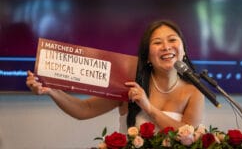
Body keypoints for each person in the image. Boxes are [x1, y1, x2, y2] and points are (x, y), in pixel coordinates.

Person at [26, 19, 204, 133]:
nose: (166, 46)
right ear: (147, 56)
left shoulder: (194, 91)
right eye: (157, 43)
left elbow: (190, 134)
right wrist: (52, 90)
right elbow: (84, 109)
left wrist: (149, 108)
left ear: (184, 50)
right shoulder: (130, 84)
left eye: (172, 40)